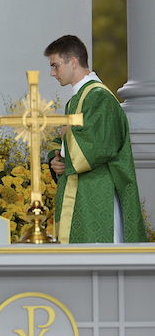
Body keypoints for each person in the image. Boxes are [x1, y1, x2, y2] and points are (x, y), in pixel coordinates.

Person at [45, 35, 146, 243]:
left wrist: (67, 139)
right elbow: (68, 140)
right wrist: (56, 159)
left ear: (73, 61)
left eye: (56, 66)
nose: (52, 73)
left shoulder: (99, 97)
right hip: (82, 195)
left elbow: (99, 146)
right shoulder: (78, 99)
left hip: (98, 196)